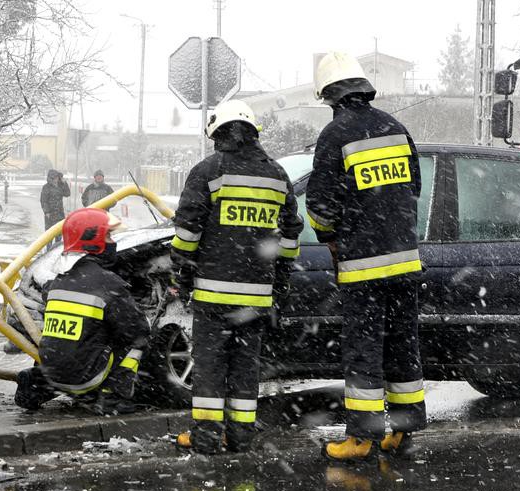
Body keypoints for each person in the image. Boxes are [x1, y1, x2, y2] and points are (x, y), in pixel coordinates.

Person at [307, 51, 426, 462]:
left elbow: (320, 205)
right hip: (406, 261)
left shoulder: (336, 135)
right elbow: (414, 188)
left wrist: (333, 239)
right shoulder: (396, 127)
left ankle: (360, 438)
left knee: (364, 350)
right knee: (402, 346)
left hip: (363, 266)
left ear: (331, 96)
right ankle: (402, 432)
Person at [169, 99, 303, 454]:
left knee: (211, 366)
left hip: (213, 296)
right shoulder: (276, 175)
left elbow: (187, 234)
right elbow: (291, 233)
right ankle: (241, 435)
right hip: (256, 298)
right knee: (246, 367)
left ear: (219, 134)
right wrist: (282, 277)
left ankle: (208, 436)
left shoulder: (209, 171)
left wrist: (181, 271)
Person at [14, 207, 149, 415]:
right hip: (86, 379)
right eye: (109, 236)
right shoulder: (108, 283)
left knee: (70, 346)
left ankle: (37, 384)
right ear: (93, 240)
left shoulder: (58, 281)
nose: (113, 242)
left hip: (54, 374)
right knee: (138, 340)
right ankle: (113, 396)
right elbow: (135, 329)